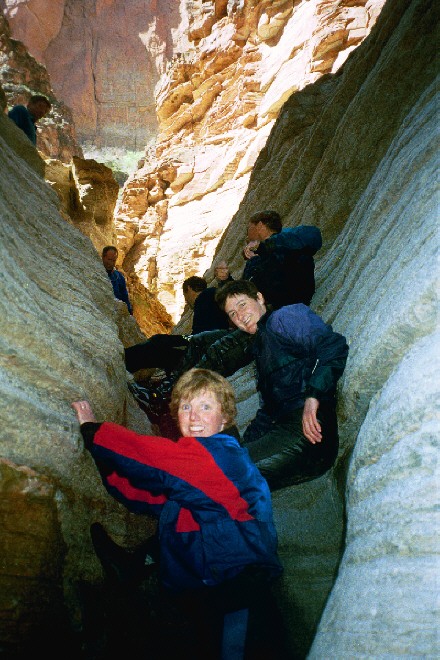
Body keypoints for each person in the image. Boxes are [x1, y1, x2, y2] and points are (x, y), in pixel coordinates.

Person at [72, 368, 285, 659]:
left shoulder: (223, 457)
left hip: (238, 591)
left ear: (224, 419)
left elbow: (155, 459)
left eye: (205, 406)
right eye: (186, 407)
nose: (193, 416)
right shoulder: (194, 476)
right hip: (204, 590)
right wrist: (106, 469)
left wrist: (95, 433)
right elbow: (147, 496)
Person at [208, 280, 349, 491]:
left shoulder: (283, 318)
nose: (240, 316)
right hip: (286, 431)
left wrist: (313, 396)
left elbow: (333, 346)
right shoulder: (261, 347)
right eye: (232, 314)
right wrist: (244, 444)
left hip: (309, 432)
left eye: (242, 304)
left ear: (259, 298)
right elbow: (269, 409)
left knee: (222, 474)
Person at [242, 209, 322, 309]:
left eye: (249, 228)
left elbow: (313, 235)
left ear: (259, 225)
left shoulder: (286, 239)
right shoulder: (265, 250)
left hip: (288, 305)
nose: (247, 234)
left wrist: (261, 249)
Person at [102, 245, 133, 315]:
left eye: (114, 260)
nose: (111, 263)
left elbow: (125, 298)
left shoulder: (119, 277)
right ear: (103, 257)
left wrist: (129, 312)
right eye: (109, 260)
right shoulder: (96, 271)